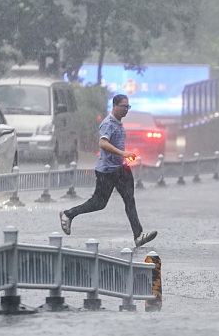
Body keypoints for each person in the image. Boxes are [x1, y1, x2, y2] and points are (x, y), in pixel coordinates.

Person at [59, 94, 158, 248]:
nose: (126, 110)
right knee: (98, 203)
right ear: (115, 105)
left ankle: (138, 235)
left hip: (121, 169)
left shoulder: (118, 124)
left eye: (128, 107)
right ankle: (68, 214)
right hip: (106, 171)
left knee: (129, 200)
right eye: (124, 106)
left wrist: (123, 158)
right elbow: (103, 143)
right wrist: (123, 153)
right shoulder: (108, 124)